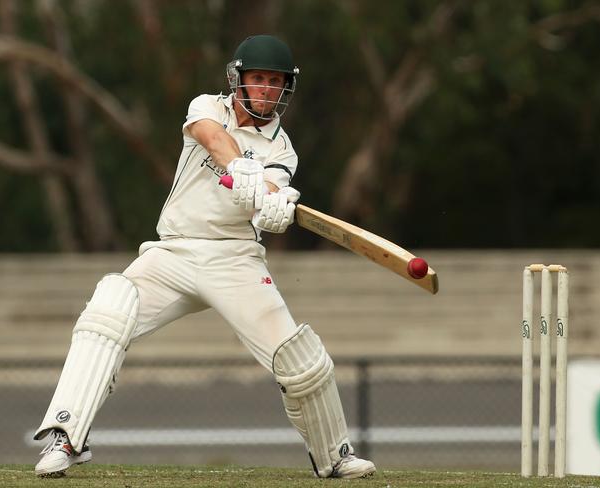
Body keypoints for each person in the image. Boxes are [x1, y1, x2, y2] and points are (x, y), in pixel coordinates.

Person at [33, 34, 376, 480]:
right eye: (259, 79)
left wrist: (273, 202)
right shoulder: (207, 107)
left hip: (236, 260)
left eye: (276, 82)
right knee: (108, 311)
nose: (268, 90)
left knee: (300, 358)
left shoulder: (281, 148)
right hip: (174, 250)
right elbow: (211, 138)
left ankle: (335, 455)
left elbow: (270, 191)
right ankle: (67, 436)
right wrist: (240, 167)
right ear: (239, 80)